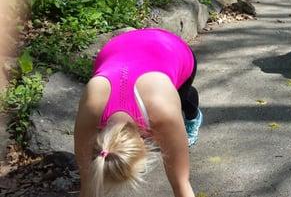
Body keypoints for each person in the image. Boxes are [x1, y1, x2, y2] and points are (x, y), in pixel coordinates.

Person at [74, 28, 203, 197]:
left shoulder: (163, 113)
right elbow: (87, 184)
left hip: (169, 46)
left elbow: (182, 184)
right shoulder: (90, 108)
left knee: (182, 99)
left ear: (145, 145)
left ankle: (192, 111)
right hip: (117, 47)